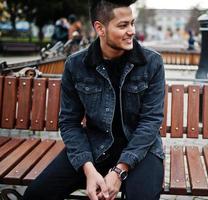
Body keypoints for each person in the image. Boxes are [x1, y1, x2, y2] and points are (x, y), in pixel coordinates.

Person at [23, 0, 165, 199]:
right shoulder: (76, 65)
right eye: (123, 25)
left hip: (141, 150)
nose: (132, 31)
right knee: (36, 195)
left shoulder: (151, 63)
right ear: (100, 28)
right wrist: (88, 169)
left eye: (132, 23)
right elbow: (69, 122)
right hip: (95, 147)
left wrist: (119, 171)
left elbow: (150, 121)